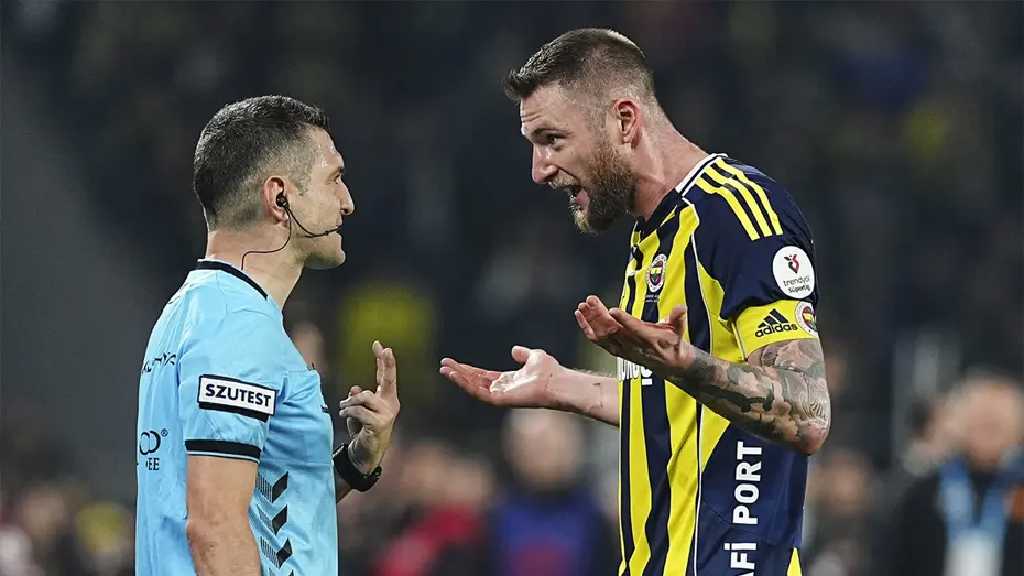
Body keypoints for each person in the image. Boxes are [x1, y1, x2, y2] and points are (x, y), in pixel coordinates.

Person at [441, 29, 830, 575]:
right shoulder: (651, 238)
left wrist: (683, 362)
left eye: (553, 140)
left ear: (624, 121)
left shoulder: (736, 214)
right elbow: (678, 409)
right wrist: (562, 387)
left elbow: (808, 412)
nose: (539, 169)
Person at [136, 96, 401, 575]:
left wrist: (356, 463)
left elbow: (263, 508)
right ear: (279, 197)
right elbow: (214, 528)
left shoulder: (196, 310)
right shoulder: (237, 325)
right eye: (334, 179)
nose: (348, 202)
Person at [886, 373, 1024, 576]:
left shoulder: (1019, 491)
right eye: (981, 422)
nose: (987, 432)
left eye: (996, 425)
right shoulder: (923, 493)